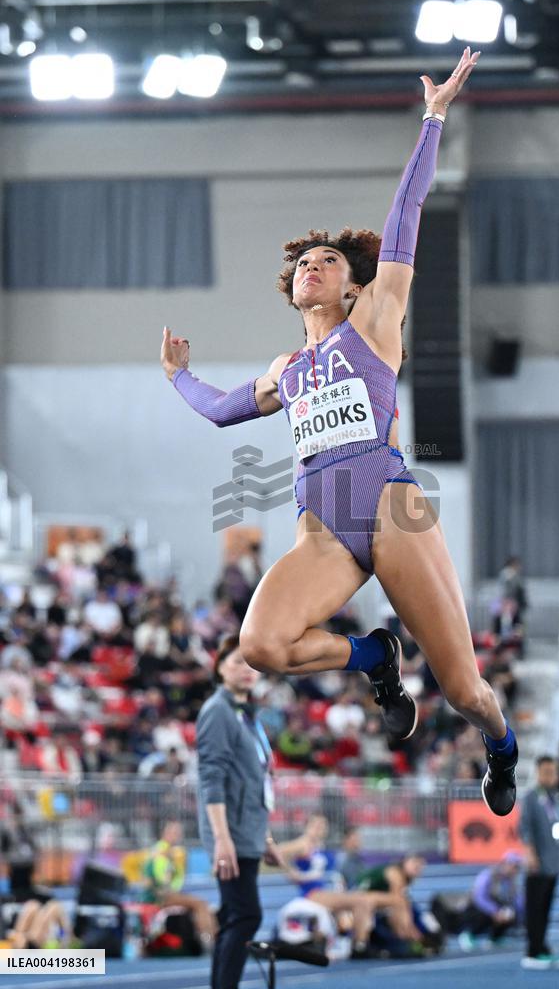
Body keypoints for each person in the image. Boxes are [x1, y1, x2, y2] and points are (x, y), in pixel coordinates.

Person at [162, 47, 518, 818]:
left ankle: (503, 744)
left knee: (462, 690)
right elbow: (224, 410)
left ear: (354, 284)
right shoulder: (287, 368)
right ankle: (374, 657)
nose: (315, 267)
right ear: (292, 288)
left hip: (394, 505)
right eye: (306, 263)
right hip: (321, 527)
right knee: (258, 650)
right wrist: (176, 379)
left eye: (329, 260)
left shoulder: (374, 321)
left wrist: (433, 119)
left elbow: (406, 217)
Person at [196, 633, 283, 989]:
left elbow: (253, 779)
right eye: (236, 662)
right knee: (247, 915)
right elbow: (211, 779)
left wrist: (264, 836)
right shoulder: (218, 712)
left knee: (235, 915)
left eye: (250, 663)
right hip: (229, 833)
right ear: (219, 668)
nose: (246, 670)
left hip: (246, 830)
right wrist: (222, 839)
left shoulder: (247, 715)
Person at [275, 814, 407, 959]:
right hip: (313, 893)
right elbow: (278, 851)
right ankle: (360, 946)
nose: (320, 829)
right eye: (316, 825)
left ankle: (362, 942)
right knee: (362, 901)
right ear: (307, 827)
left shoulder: (320, 845)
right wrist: (293, 873)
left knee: (367, 900)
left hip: (328, 891)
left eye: (323, 826)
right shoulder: (303, 843)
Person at [518, 756, 559, 970]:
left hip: (553, 861)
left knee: (546, 908)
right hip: (536, 863)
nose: (550, 775)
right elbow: (525, 829)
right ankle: (533, 950)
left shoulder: (556, 797)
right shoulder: (531, 798)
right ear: (538, 773)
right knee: (535, 909)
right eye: (546, 771)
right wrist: (530, 855)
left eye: (554, 771)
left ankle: (542, 945)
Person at [141, 820, 216, 950]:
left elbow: (175, 880)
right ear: (166, 833)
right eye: (175, 832)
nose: (178, 835)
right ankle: (210, 940)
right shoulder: (161, 852)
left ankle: (210, 938)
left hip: (167, 894)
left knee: (202, 906)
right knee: (200, 904)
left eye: (179, 832)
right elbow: (161, 881)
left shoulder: (171, 852)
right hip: (159, 897)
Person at [458, 850, 523, 950]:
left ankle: (496, 937)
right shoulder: (488, 875)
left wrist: (513, 914)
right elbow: (479, 897)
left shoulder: (511, 882)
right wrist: (494, 911)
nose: (516, 870)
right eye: (514, 866)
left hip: (496, 910)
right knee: (483, 913)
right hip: (476, 909)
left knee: (510, 912)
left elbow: (517, 900)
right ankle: (468, 935)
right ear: (506, 863)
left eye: (517, 867)